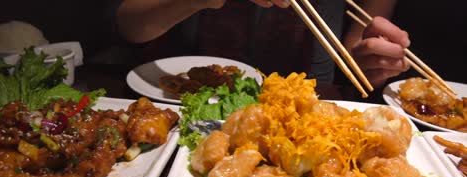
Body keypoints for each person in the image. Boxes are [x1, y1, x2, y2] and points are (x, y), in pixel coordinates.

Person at [115, 0, 410, 87]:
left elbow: (355, 52)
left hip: (308, 106)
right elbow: (130, 26)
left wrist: (366, 60)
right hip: (183, 103)